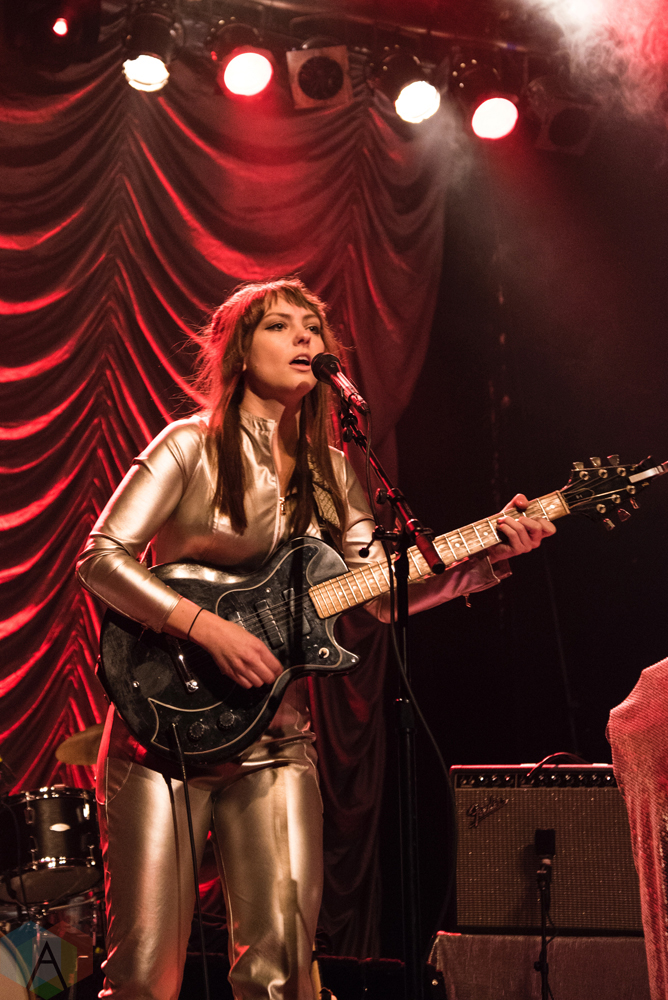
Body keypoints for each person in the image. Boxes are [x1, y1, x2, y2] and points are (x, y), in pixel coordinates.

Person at [77, 277, 556, 1000]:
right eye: (281, 326)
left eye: (314, 328)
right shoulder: (187, 446)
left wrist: (485, 557)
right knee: (145, 977)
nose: (306, 338)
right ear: (239, 351)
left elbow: (379, 591)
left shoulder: (332, 470)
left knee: (284, 974)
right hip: (161, 734)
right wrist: (206, 627)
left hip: (274, 737)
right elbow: (100, 558)